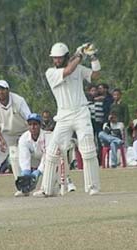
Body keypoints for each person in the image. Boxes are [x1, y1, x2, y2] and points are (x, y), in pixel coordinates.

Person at [42, 42, 101, 196]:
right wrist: (80, 54)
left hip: (81, 112)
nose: (56, 61)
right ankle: (47, 189)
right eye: (54, 58)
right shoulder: (51, 73)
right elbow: (68, 70)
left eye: (59, 58)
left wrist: (93, 57)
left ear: (66, 57)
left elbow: (95, 76)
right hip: (63, 115)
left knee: (88, 149)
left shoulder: (78, 68)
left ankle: (92, 186)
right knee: (53, 151)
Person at [16, 113, 76, 197]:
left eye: (35, 124)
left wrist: (37, 172)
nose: (32, 127)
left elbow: (46, 157)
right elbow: (24, 157)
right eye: (30, 124)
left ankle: (49, 187)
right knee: (14, 156)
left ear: (40, 125)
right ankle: (24, 189)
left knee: (51, 190)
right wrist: (26, 173)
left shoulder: (48, 136)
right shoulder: (23, 138)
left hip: (48, 161)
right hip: (34, 159)